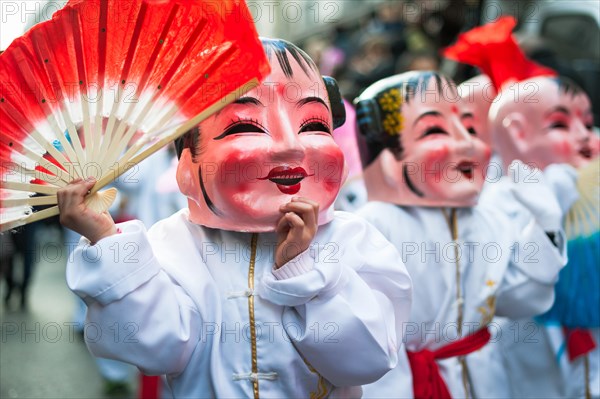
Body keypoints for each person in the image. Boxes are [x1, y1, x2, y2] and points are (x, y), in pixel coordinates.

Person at [57, 38, 412, 398]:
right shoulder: (173, 243)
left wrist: (304, 273)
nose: (291, 144)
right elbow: (154, 348)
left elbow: (368, 359)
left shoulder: (353, 239)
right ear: (187, 162)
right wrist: (109, 245)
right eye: (246, 127)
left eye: (313, 125)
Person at [354, 70, 568, 398]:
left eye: (468, 127)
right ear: (386, 157)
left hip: (486, 375)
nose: (467, 143)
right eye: (435, 130)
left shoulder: (483, 217)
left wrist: (545, 226)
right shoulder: (373, 227)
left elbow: (516, 297)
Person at [445, 17, 600, 398]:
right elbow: (504, 289)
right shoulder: (494, 196)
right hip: (528, 345)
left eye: (587, 122)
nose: (584, 136)